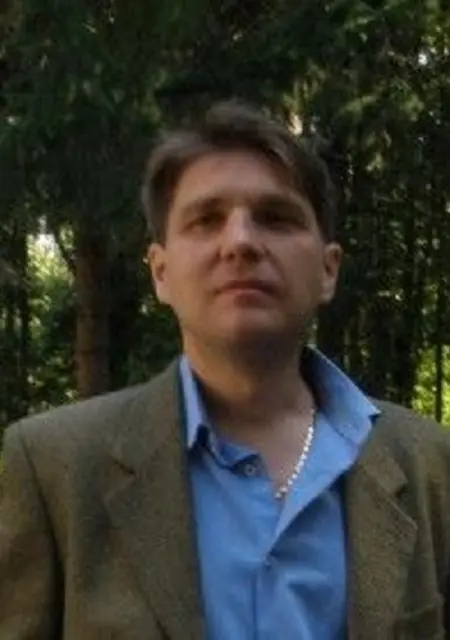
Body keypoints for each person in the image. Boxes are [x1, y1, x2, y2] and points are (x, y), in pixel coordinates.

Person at [1, 101, 449, 640]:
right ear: (161, 273)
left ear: (328, 270)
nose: (240, 242)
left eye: (276, 217)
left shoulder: (431, 466)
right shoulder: (55, 470)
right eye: (206, 220)